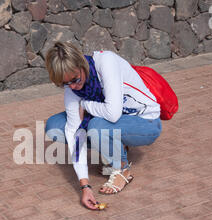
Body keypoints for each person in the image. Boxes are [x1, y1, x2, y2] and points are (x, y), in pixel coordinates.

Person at [45, 42, 162, 210]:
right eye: (65, 84)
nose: (72, 87)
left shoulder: (106, 61)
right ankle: (114, 145)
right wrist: (85, 186)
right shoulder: (72, 89)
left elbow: (112, 113)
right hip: (115, 121)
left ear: (81, 65)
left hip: (146, 122)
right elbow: (74, 134)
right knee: (55, 126)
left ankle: (121, 169)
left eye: (75, 79)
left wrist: (85, 105)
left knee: (97, 126)